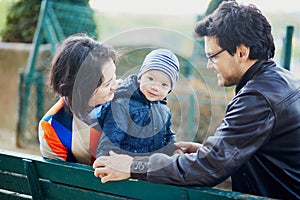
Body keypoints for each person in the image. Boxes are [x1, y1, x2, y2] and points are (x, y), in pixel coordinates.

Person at [93, 1, 300, 199]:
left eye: (213, 56)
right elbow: (256, 154)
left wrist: (132, 166)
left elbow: (210, 168)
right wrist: (205, 152)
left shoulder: (257, 98)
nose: (209, 65)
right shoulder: (281, 81)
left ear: (241, 52)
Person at [39, 33, 118, 165]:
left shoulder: (131, 102)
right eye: (107, 84)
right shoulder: (54, 126)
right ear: (82, 90)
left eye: (114, 76)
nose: (115, 86)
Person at [97, 48, 180, 158]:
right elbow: (110, 141)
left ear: (169, 90)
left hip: (149, 170)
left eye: (164, 84)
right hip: (125, 170)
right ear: (140, 77)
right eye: (151, 78)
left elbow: (168, 136)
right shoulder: (122, 104)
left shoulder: (164, 111)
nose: (155, 87)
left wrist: (174, 150)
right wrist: (108, 162)